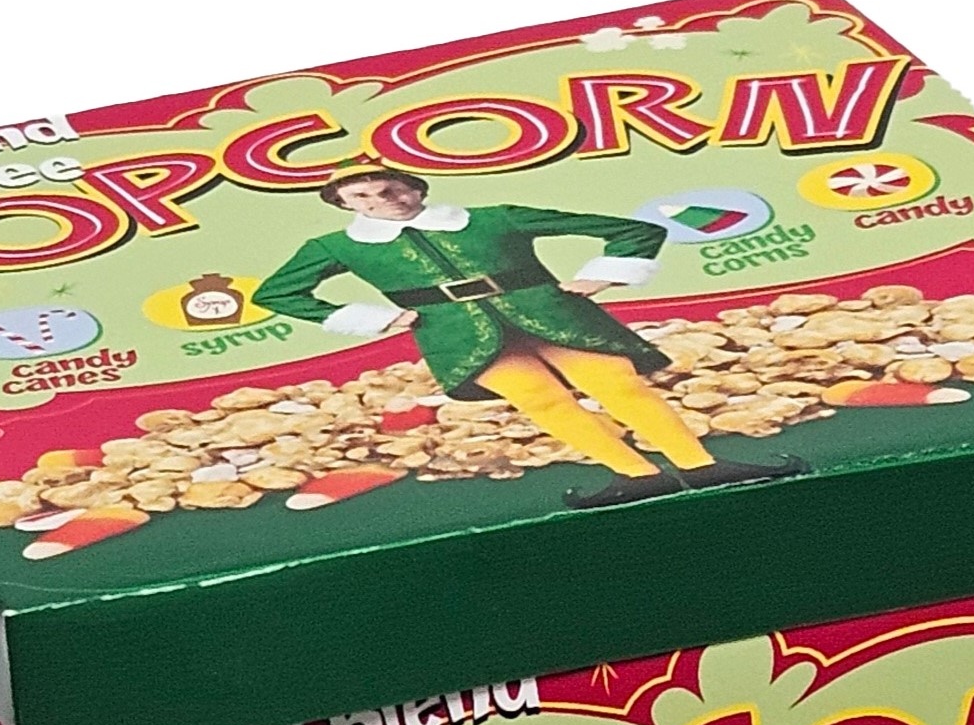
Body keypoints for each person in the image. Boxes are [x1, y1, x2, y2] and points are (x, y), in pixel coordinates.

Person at [252, 164, 805, 509]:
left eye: (390, 188)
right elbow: (278, 293)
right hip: (454, 331)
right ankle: (635, 475)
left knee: (619, 386)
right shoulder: (335, 247)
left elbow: (633, 230)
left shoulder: (496, 216)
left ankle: (701, 466)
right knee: (541, 402)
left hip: (551, 310)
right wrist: (373, 318)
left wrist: (603, 275)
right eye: (365, 197)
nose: (383, 199)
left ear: (415, 188)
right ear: (347, 206)